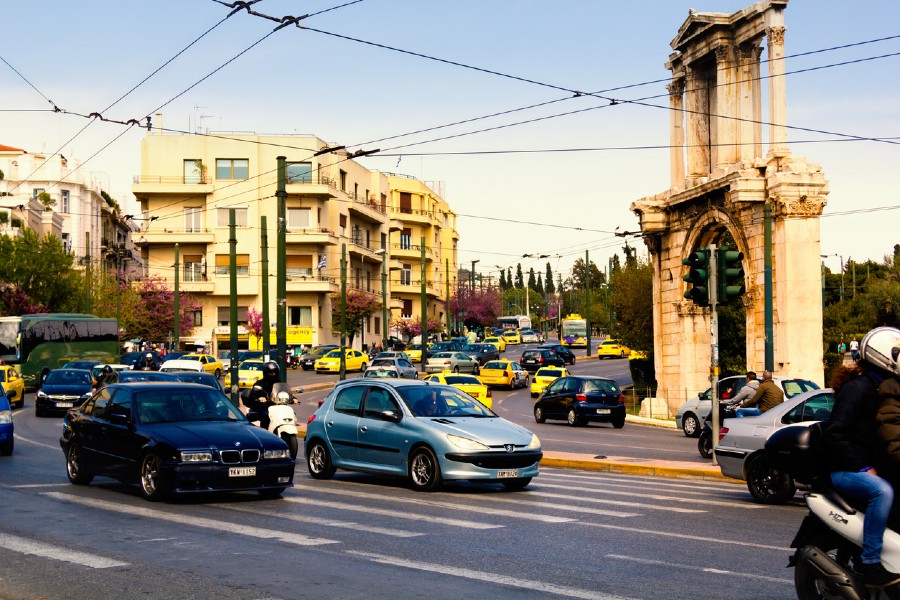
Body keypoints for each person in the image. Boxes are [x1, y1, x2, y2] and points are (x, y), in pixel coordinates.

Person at [825, 326, 900, 587]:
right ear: (883, 355)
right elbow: (836, 432)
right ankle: (870, 563)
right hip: (846, 469)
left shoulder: (886, 388)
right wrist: (863, 466)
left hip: (868, 464)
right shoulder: (858, 389)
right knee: (883, 492)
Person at [244, 361, 280, 430]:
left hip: (276, 406)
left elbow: (283, 391)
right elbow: (254, 393)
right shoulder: (259, 383)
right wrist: (259, 398)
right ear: (266, 373)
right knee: (265, 415)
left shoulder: (279, 383)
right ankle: (265, 432)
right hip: (263, 406)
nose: (273, 374)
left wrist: (293, 398)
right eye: (271, 372)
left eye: (275, 372)